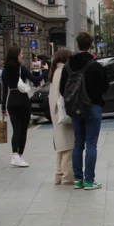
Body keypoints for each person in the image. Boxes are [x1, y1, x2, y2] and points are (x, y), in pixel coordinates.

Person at [60, 32, 108, 190]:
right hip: (92, 107)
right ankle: (89, 180)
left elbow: (62, 88)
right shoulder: (95, 65)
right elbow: (104, 86)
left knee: (78, 144)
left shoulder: (68, 66)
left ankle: (77, 180)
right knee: (91, 144)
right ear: (90, 45)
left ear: (77, 44)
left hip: (74, 108)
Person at [0, 45, 37, 167]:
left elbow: (4, 91)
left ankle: (15, 155)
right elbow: (35, 80)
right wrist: (46, 71)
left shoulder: (5, 71)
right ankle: (19, 156)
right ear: (16, 56)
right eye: (21, 54)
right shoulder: (22, 69)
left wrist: (3, 108)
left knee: (16, 129)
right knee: (23, 130)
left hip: (11, 101)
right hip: (23, 101)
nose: (22, 55)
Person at [47, 48, 75, 185]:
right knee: (68, 147)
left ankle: (59, 175)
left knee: (60, 147)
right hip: (62, 113)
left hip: (55, 113)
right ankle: (67, 177)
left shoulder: (54, 72)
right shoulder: (64, 71)